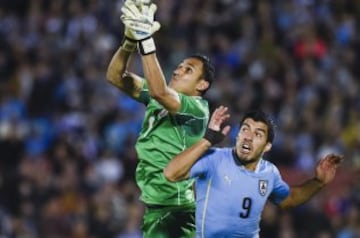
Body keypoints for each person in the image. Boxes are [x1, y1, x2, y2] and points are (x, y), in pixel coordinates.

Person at [106, 1, 215, 237]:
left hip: (174, 207)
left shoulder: (197, 109)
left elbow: (159, 91)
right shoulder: (159, 99)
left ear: (202, 85)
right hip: (159, 207)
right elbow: (115, 76)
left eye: (188, 70)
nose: (177, 71)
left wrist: (145, 40)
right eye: (178, 66)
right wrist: (129, 42)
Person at [164, 106, 344, 238]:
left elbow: (289, 199)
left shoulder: (269, 172)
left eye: (257, 134)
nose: (248, 137)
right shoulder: (214, 158)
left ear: (267, 146)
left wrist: (318, 182)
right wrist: (207, 140)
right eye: (245, 129)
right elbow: (171, 173)